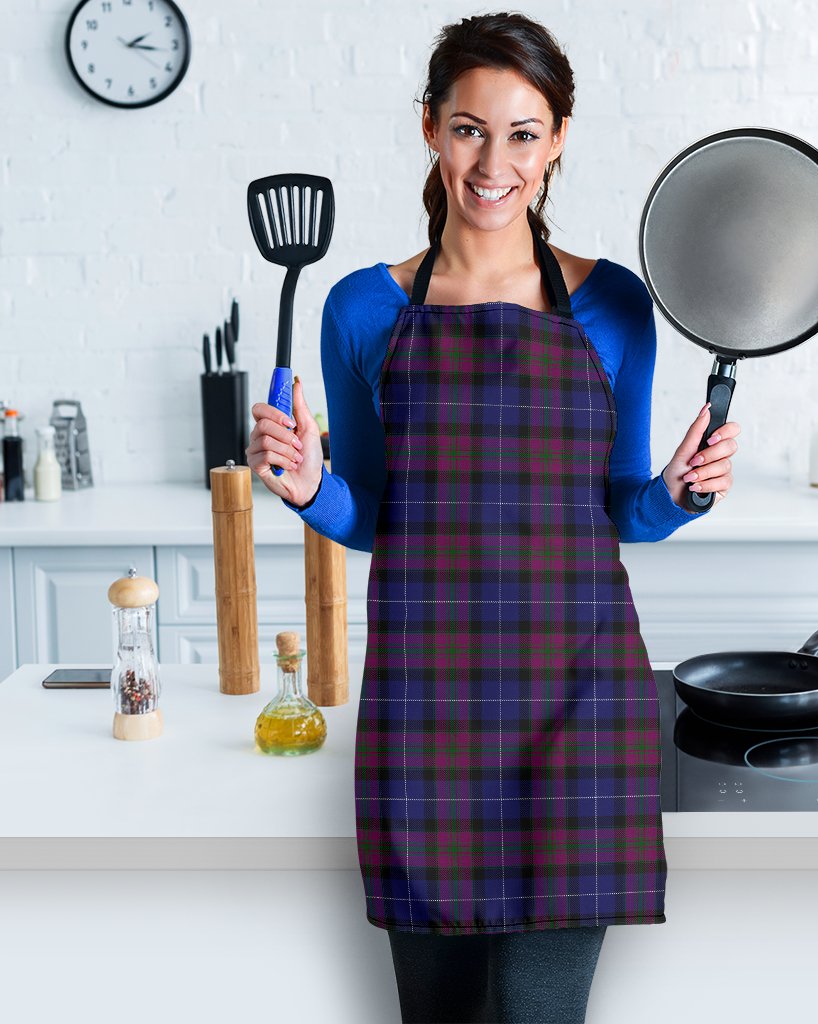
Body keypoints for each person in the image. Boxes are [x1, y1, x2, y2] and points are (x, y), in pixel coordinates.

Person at [247, 11, 740, 1023]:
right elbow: (383, 514)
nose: (493, 161)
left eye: (522, 132)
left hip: (579, 709)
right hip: (428, 712)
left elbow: (618, 511)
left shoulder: (611, 304)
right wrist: (307, 488)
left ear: (556, 138)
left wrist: (679, 493)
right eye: (470, 128)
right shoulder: (361, 308)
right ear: (430, 128)